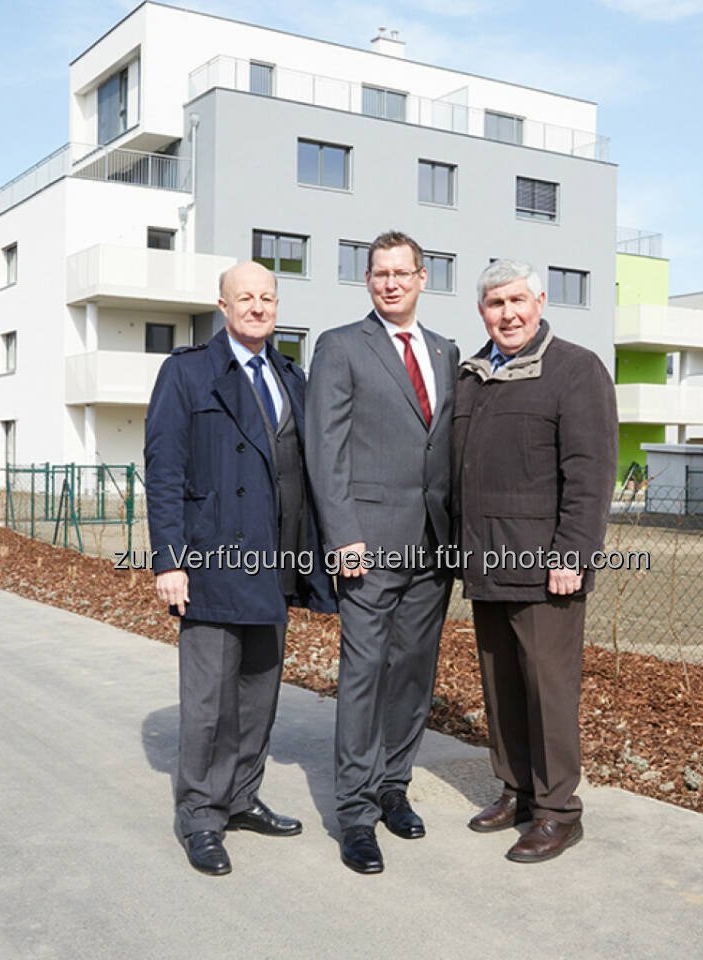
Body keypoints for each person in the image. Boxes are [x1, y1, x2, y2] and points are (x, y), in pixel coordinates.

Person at [145, 260, 335, 877]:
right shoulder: (187, 372)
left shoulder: (291, 376)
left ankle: (242, 796)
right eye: (244, 298)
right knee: (207, 702)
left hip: (275, 566)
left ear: (277, 306)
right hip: (211, 564)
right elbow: (165, 471)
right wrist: (168, 560)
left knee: (258, 695)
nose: (257, 307)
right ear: (222, 307)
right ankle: (201, 813)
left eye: (267, 298)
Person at [452, 259, 617, 863]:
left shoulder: (575, 370)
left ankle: (557, 812)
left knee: (548, 691)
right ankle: (517, 791)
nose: (508, 313)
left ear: (540, 301)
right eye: (496, 304)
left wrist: (573, 554)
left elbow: (590, 474)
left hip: (547, 570)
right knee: (501, 689)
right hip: (484, 562)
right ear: (482, 312)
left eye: (517, 300)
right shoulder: (473, 377)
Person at [305, 231, 459, 874]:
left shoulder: (447, 353)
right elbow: (325, 450)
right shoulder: (340, 347)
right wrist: (344, 539)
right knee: (365, 677)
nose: (391, 283)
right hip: (367, 544)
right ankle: (356, 811)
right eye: (379, 274)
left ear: (423, 278)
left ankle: (394, 785)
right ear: (367, 281)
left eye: (402, 273)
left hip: (433, 545)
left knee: (413, 674)